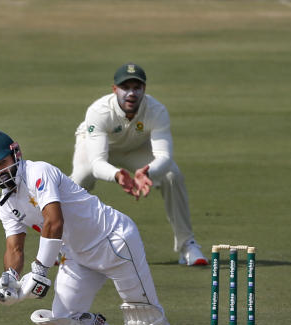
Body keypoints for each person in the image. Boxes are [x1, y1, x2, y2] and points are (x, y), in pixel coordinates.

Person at [0, 130, 200, 325]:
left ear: (15, 154)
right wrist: (10, 280)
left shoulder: (38, 173)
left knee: (144, 317)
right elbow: (14, 248)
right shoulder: (7, 205)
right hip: (78, 256)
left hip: (114, 240)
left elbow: (53, 222)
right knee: (60, 323)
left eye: (0, 162)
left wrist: (41, 271)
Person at [70, 63, 208, 267]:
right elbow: (97, 162)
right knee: (80, 178)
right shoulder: (98, 111)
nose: (131, 93)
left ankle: (187, 245)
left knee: (172, 175)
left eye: (137, 87)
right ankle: (62, 244)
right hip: (97, 147)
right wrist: (118, 175)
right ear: (115, 89)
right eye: (125, 87)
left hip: (135, 148)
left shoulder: (157, 110)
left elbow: (164, 156)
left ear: (144, 89)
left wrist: (148, 172)